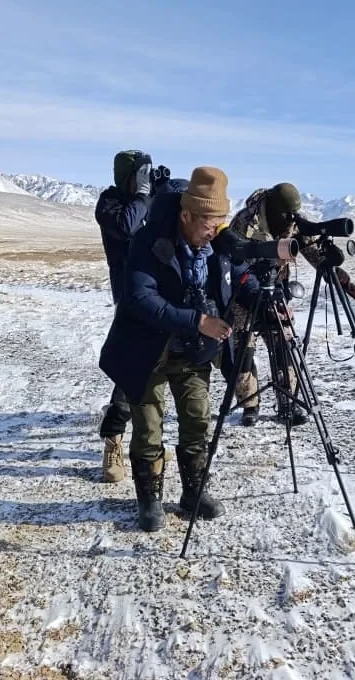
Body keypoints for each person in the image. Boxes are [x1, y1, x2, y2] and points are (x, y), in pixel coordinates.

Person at [98, 166, 259, 532]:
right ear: (186, 215)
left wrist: (261, 292)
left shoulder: (216, 244)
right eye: (208, 223)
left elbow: (240, 274)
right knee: (148, 426)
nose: (215, 231)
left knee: (197, 419)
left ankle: (193, 492)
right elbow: (140, 298)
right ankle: (149, 500)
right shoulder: (148, 240)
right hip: (147, 349)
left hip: (192, 351)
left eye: (219, 223)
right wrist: (198, 321)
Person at [228, 182, 355, 427]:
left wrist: (337, 274)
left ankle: (288, 400)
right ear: (274, 209)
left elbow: (310, 249)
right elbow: (234, 261)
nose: (290, 221)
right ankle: (249, 404)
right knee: (243, 347)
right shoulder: (245, 222)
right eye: (286, 215)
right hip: (245, 291)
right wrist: (253, 291)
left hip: (276, 290)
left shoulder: (291, 221)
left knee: (284, 342)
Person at [93, 150, 186, 483]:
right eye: (140, 174)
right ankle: (113, 438)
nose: (144, 181)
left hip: (159, 295)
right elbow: (127, 225)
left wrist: (165, 192)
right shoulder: (110, 203)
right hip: (131, 299)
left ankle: (151, 442)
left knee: (162, 372)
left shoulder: (147, 200)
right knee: (132, 368)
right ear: (127, 177)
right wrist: (144, 194)